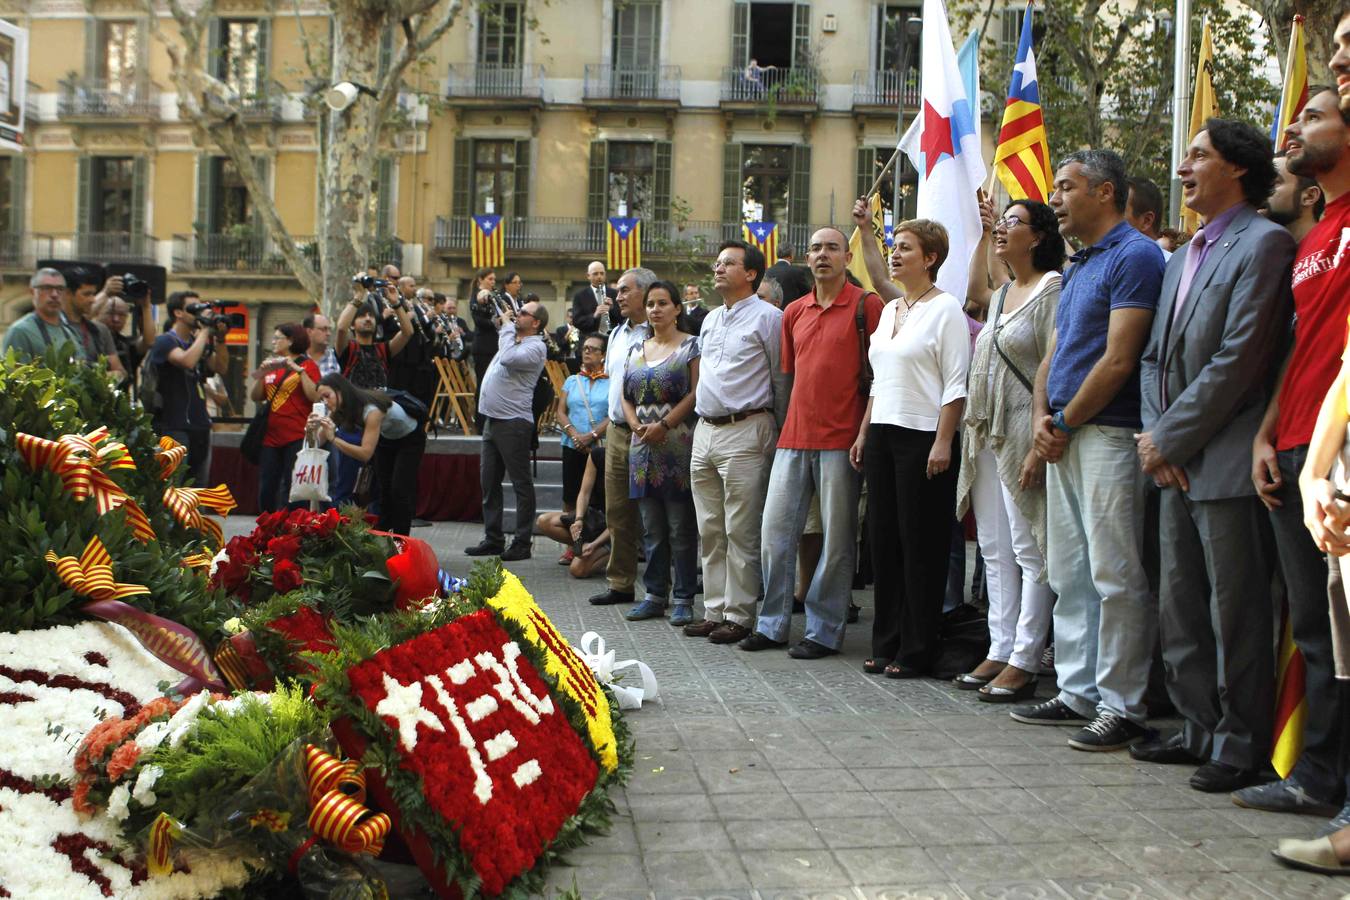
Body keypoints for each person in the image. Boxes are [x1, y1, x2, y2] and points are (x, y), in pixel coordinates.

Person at [1129, 119, 1294, 791]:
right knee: (1180, 606)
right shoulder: (1180, 256)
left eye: (1197, 155)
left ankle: (1242, 741)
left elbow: (1240, 361)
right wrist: (1154, 440)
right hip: (1171, 462)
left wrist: (1167, 438)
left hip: (1223, 461)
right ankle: (1197, 727)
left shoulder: (1266, 244)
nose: (1182, 168)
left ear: (1236, 168)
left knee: (1237, 610)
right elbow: (1150, 359)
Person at [1010, 149, 1164, 752]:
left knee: (1115, 572)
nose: (1056, 199)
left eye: (1067, 187)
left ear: (1104, 192)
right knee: (1071, 572)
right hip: (1067, 433)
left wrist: (1065, 421)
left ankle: (1121, 703)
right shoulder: (1078, 265)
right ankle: (1077, 691)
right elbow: (1054, 352)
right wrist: (1043, 416)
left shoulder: (1137, 256)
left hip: (1108, 434)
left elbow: (1121, 358)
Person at [1242, 83, 1350, 829]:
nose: (1293, 127)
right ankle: (1320, 774)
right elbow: (1301, 346)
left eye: (1314, 114)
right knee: (1315, 626)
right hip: (1295, 446)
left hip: (1339, 448)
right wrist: (1267, 432)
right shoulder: (1314, 236)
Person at [742, 228, 884, 659]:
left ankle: (823, 631)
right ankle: (772, 625)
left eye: (832, 248)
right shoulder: (793, 312)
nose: (823, 255)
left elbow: (882, 375)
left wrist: (864, 432)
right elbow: (789, 377)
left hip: (843, 441)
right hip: (793, 438)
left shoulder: (867, 305)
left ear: (846, 257)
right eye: (816, 248)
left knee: (838, 541)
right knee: (774, 535)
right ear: (807, 258)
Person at [848, 213, 970, 677]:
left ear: (931, 258)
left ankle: (917, 649)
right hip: (882, 433)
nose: (895, 255)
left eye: (905, 248)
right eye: (894, 246)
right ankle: (886, 643)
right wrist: (864, 431)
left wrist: (943, 442)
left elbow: (955, 384)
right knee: (883, 541)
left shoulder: (946, 309)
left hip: (925, 437)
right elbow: (880, 380)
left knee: (921, 543)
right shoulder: (894, 310)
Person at [951, 200, 1063, 700]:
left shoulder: (1052, 287)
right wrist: (984, 230)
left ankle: (1026, 656)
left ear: (1038, 236)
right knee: (994, 549)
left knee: (1029, 547)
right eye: (1003, 223)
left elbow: (1054, 363)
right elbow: (976, 289)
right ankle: (999, 647)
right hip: (987, 431)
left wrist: (1041, 436)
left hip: (1023, 431)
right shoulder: (999, 297)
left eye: (1013, 223)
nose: (1004, 230)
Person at [683, 240, 788, 644]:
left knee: (740, 529)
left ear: (751, 274)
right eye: (718, 261)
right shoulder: (709, 319)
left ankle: (740, 615)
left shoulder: (770, 318)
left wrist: (776, 431)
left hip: (748, 427)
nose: (719, 268)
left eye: (729, 263)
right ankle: (714, 610)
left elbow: (781, 380)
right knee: (709, 528)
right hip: (705, 430)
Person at [621, 281, 701, 626]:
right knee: (651, 528)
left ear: (677, 309)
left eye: (663, 303)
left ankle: (683, 596)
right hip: (641, 446)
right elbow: (625, 394)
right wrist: (635, 424)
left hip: (677, 444)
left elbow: (697, 393)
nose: (655, 309)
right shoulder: (636, 348)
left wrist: (665, 424)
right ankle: (654, 594)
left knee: (680, 526)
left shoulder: (692, 346)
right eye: (651, 303)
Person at [588, 268, 655, 607]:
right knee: (617, 510)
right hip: (616, 431)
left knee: (656, 513)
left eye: (626, 290)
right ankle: (621, 583)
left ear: (645, 292)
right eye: (618, 291)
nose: (619, 297)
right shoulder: (615, 333)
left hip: (651, 433)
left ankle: (660, 589)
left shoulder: (661, 331)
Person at [465, 299, 550, 561]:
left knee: (520, 484)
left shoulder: (536, 346)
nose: (517, 315)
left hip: (513, 422)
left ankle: (522, 542)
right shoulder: (514, 339)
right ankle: (493, 538)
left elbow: (508, 359)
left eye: (523, 313)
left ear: (535, 323)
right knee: (489, 482)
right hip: (493, 420)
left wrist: (505, 327)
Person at [308, 373, 423, 532]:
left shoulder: (371, 410)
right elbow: (317, 442)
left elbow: (365, 454)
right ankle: (382, 535)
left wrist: (333, 439)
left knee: (399, 489)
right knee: (384, 488)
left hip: (410, 438)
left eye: (327, 396)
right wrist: (312, 428)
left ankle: (401, 538)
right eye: (322, 399)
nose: (325, 402)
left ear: (341, 391)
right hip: (386, 438)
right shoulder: (340, 407)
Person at [150, 291, 231, 487]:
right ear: (178, 313)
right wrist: (204, 332)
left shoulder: (196, 343)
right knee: (176, 488)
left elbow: (221, 367)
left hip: (200, 424)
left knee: (197, 489)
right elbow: (186, 361)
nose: (200, 313)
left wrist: (220, 339)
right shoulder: (165, 341)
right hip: (174, 425)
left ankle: (194, 519)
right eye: (195, 308)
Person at [249, 323, 322, 512]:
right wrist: (262, 373)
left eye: (277, 338)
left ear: (290, 341)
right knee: (267, 487)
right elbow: (256, 396)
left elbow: (314, 396)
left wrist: (299, 371)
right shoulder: (273, 366)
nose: (273, 341)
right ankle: (266, 526)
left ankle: (293, 528)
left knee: (294, 488)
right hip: (270, 438)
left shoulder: (308, 365)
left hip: (297, 435)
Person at [553, 334, 611, 563]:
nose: (586, 352)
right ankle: (572, 545)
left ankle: (602, 541)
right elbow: (560, 411)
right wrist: (574, 434)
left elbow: (613, 414)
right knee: (570, 495)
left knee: (597, 496)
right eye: (584, 348)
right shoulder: (572, 381)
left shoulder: (612, 381)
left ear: (603, 354)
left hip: (598, 447)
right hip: (572, 445)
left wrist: (592, 435)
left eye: (593, 349)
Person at [536, 448, 611, 579]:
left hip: (618, 528)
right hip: (596, 517)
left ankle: (616, 555)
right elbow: (584, 493)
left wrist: (595, 544)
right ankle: (586, 547)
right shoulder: (598, 455)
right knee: (544, 521)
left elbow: (622, 520)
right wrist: (579, 519)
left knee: (577, 570)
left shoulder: (629, 460)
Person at [334, 278, 413, 390]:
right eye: (362, 316)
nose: (368, 319)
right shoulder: (348, 349)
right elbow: (341, 328)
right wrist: (359, 296)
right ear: (352, 325)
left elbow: (408, 333)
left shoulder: (383, 349)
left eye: (371, 316)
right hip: (355, 404)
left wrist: (396, 303)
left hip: (380, 404)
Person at [3, 268, 89, 363]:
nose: (54, 294)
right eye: (47, 288)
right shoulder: (20, 331)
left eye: (60, 289)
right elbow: (13, 374)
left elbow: (81, 366)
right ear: (32, 292)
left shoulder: (70, 331)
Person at [59, 266, 125, 375]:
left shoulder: (99, 330)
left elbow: (120, 371)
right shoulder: (50, 329)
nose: (93, 299)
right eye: (86, 294)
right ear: (67, 293)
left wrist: (103, 377)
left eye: (93, 294)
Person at [1264, 151, 1325, 242]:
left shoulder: (1334, 251)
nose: (1261, 191)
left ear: (1309, 196)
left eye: (1273, 183)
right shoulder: (1263, 245)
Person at [572, 260, 618, 335]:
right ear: (588, 276)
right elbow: (576, 321)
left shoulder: (614, 293)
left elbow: (623, 318)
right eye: (595, 274)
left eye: (602, 273)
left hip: (611, 339)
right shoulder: (580, 296)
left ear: (605, 275)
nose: (599, 276)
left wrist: (612, 309)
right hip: (589, 339)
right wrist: (594, 316)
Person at [304, 313, 340, 378]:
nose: (328, 333)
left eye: (329, 329)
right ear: (309, 332)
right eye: (324, 329)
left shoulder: (335, 356)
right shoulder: (298, 358)